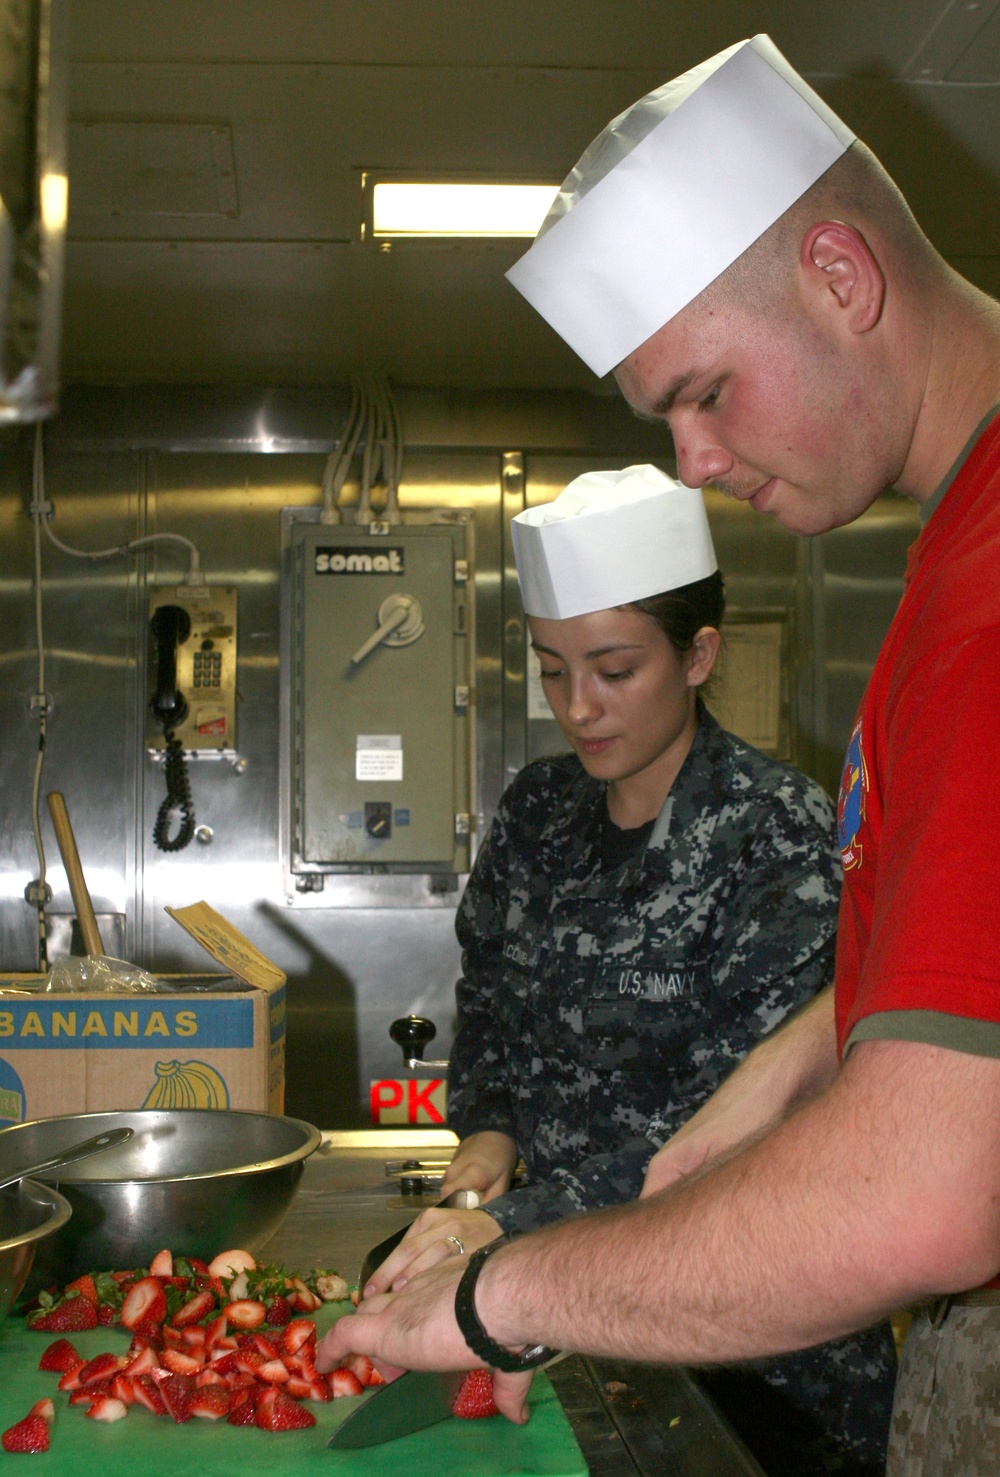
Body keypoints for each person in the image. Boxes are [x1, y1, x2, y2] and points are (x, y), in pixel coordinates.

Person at [317, 34, 1000, 1477]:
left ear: (839, 274)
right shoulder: (952, 571)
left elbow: (921, 1196)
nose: (694, 464)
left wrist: (505, 1291)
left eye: (706, 392)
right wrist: (805, 1060)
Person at [365, 462, 896, 1472]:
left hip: (757, 1362)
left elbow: (726, 1137)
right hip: (558, 1315)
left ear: (698, 654)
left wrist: (501, 1233)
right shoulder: (535, 816)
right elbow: (493, 1016)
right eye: (551, 668)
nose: (579, 705)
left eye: (614, 669)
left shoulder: (771, 838)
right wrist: (484, 1147)